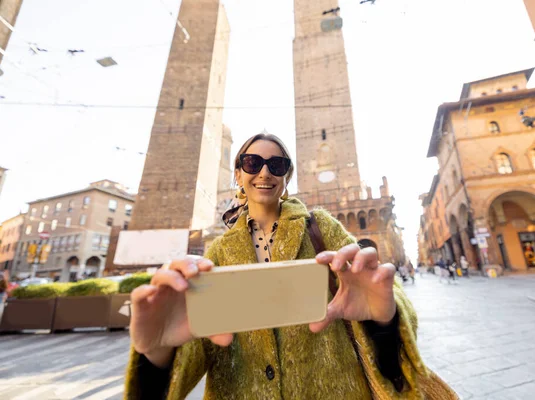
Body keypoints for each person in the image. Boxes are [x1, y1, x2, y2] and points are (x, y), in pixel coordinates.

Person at [124, 133, 457, 399]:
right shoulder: (220, 251)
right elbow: (201, 347)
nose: (265, 172)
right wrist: (158, 353)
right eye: (252, 162)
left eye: (277, 164)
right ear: (238, 174)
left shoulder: (321, 227)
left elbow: (386, 301)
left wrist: (384, 316)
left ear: (287, 177)